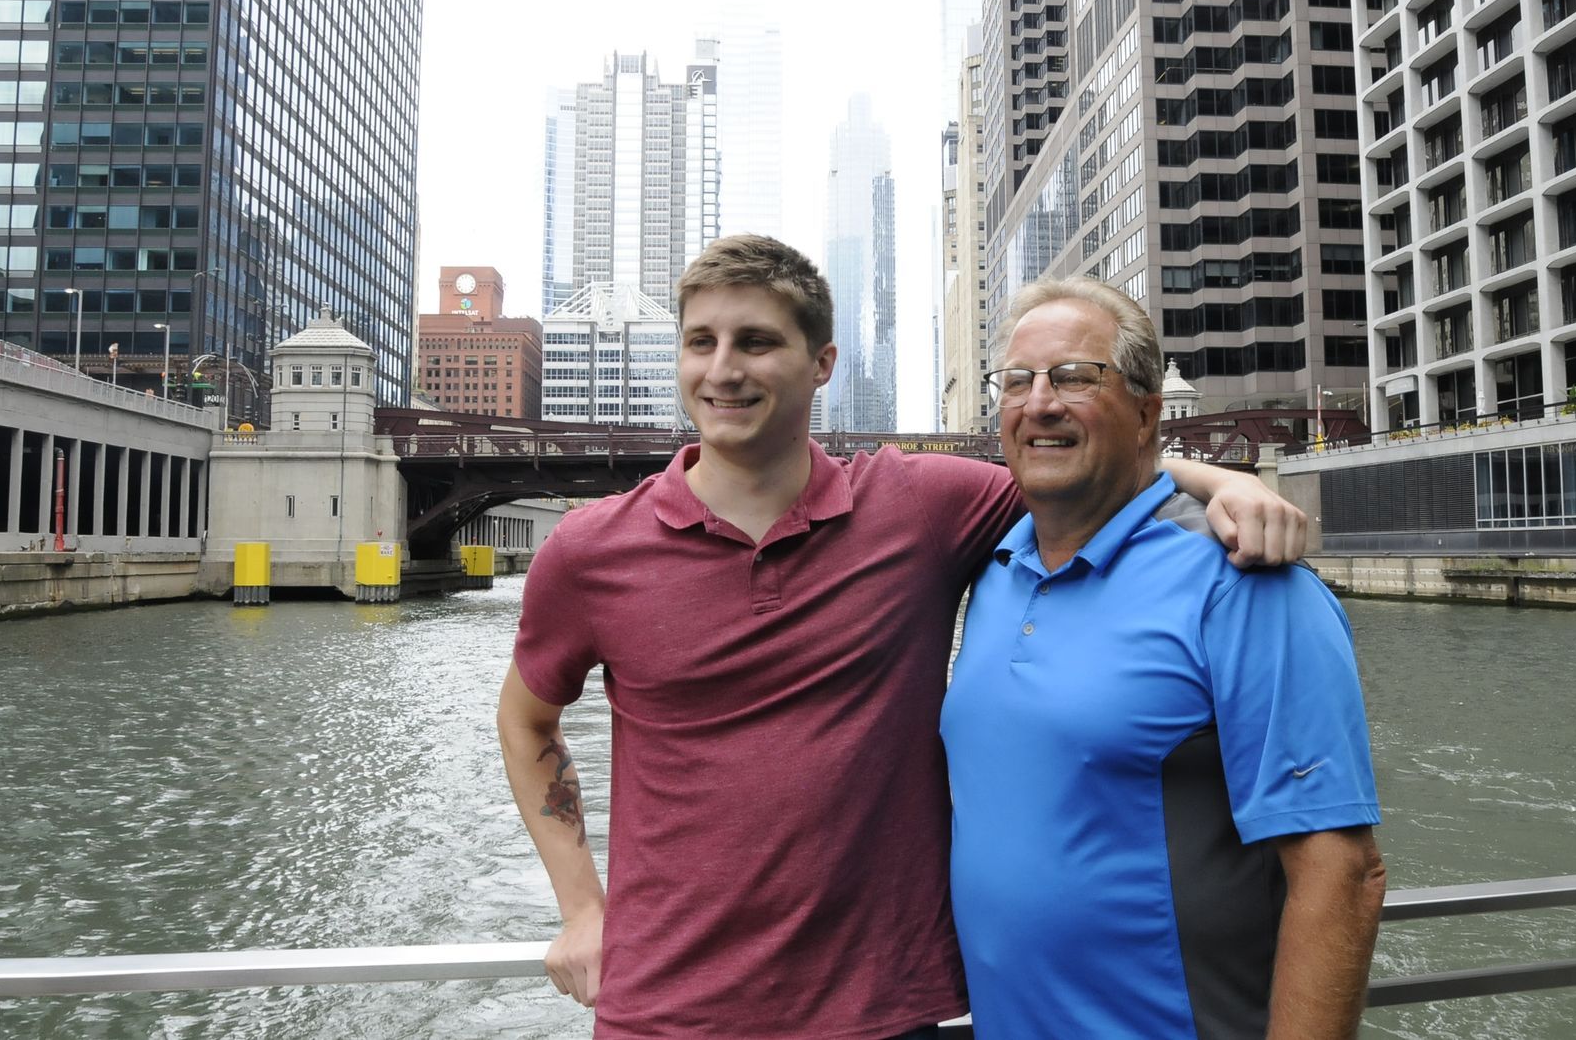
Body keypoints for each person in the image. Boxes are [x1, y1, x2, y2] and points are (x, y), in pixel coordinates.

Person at [497, 235, 1308, 1038]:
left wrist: (1223, 479)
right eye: (700, 342)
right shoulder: (590, 550)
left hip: (880, 1012)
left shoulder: (918, 508)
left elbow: (1077, 471)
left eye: (756, 341)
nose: (723, 369)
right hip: (662, 1010)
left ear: (823, 362)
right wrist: (580, 908)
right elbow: (526, 717)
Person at [941, 276, 1385, 1039]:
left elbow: (1341, 874)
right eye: (1018, 380)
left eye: (1077, 376)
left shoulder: (1247, 585)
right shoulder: (993, 567)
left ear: (1149, 410)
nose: (1039, 402)